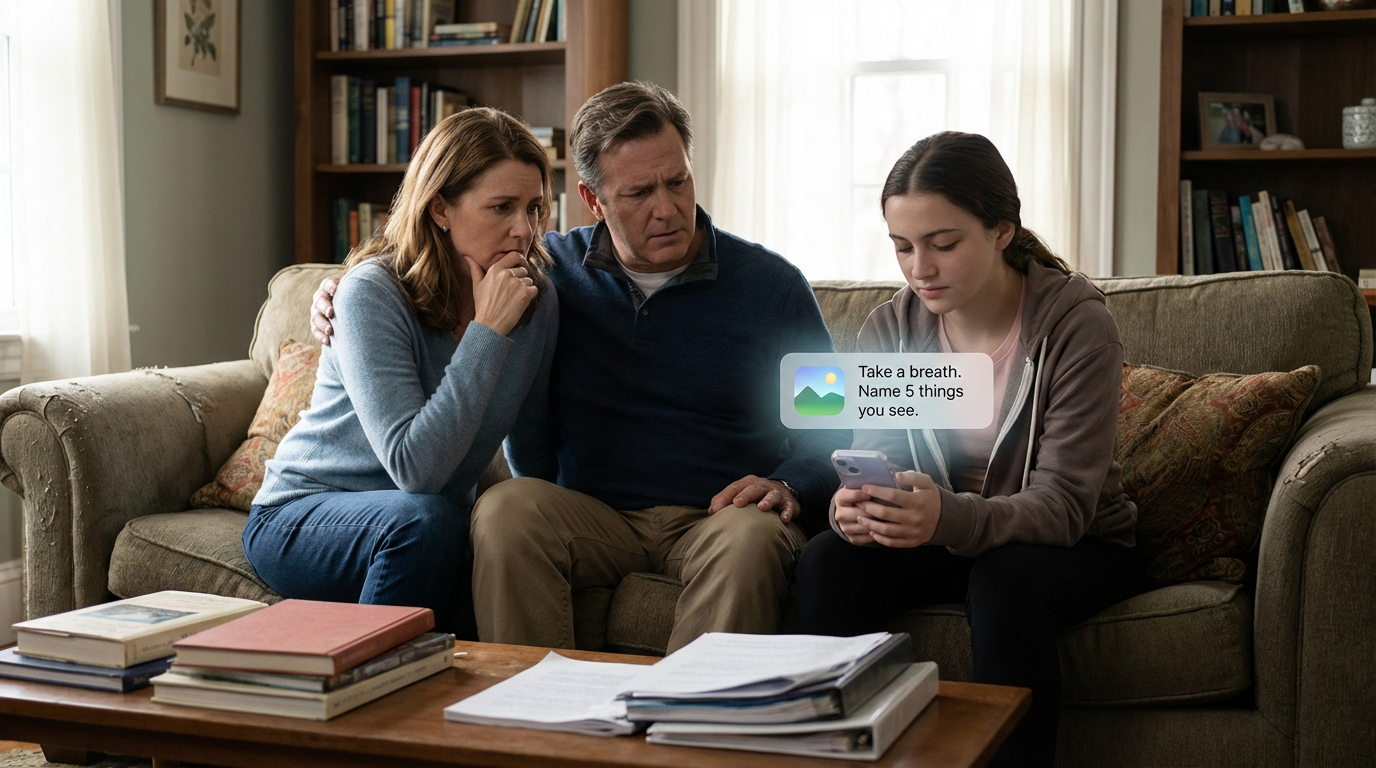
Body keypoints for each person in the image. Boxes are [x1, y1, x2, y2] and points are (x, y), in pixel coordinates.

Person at [312, 82, 848, 653]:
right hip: (592, 517)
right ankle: (529, 715)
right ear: (593, 200)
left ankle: (692, 726)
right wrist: (334, 293)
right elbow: (410, 274)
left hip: (722, 518)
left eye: (677, 181)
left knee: (751, 541)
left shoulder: (772, 287)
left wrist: (789, 483)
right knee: (505, 509)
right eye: (639, 192)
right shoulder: (548, 274)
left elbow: (832, 425)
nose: (666, 209)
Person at [792, 131, 1142, 767]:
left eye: (943, 244)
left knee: (1004, 580)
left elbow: (1063, 505)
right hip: (945, 534)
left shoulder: (1073, 325)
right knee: (825, 562)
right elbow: (878, 455)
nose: (919, 268)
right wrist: (861, 507)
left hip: (1075, 543)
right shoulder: (892, 328)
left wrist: (946, 516)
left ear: (1002, 230)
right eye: (903, 247)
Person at [246, 107, 559, 638]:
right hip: (304, 514)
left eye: (534, 208)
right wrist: (487, 332)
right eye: (501, 207)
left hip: (425, 521)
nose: (523, 231)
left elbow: (530, 450)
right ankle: (360, 702)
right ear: (440, 208)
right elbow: (417, 472)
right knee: (428, 522)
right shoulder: (372, 291)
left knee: (476, 540)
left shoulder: (536, 298)